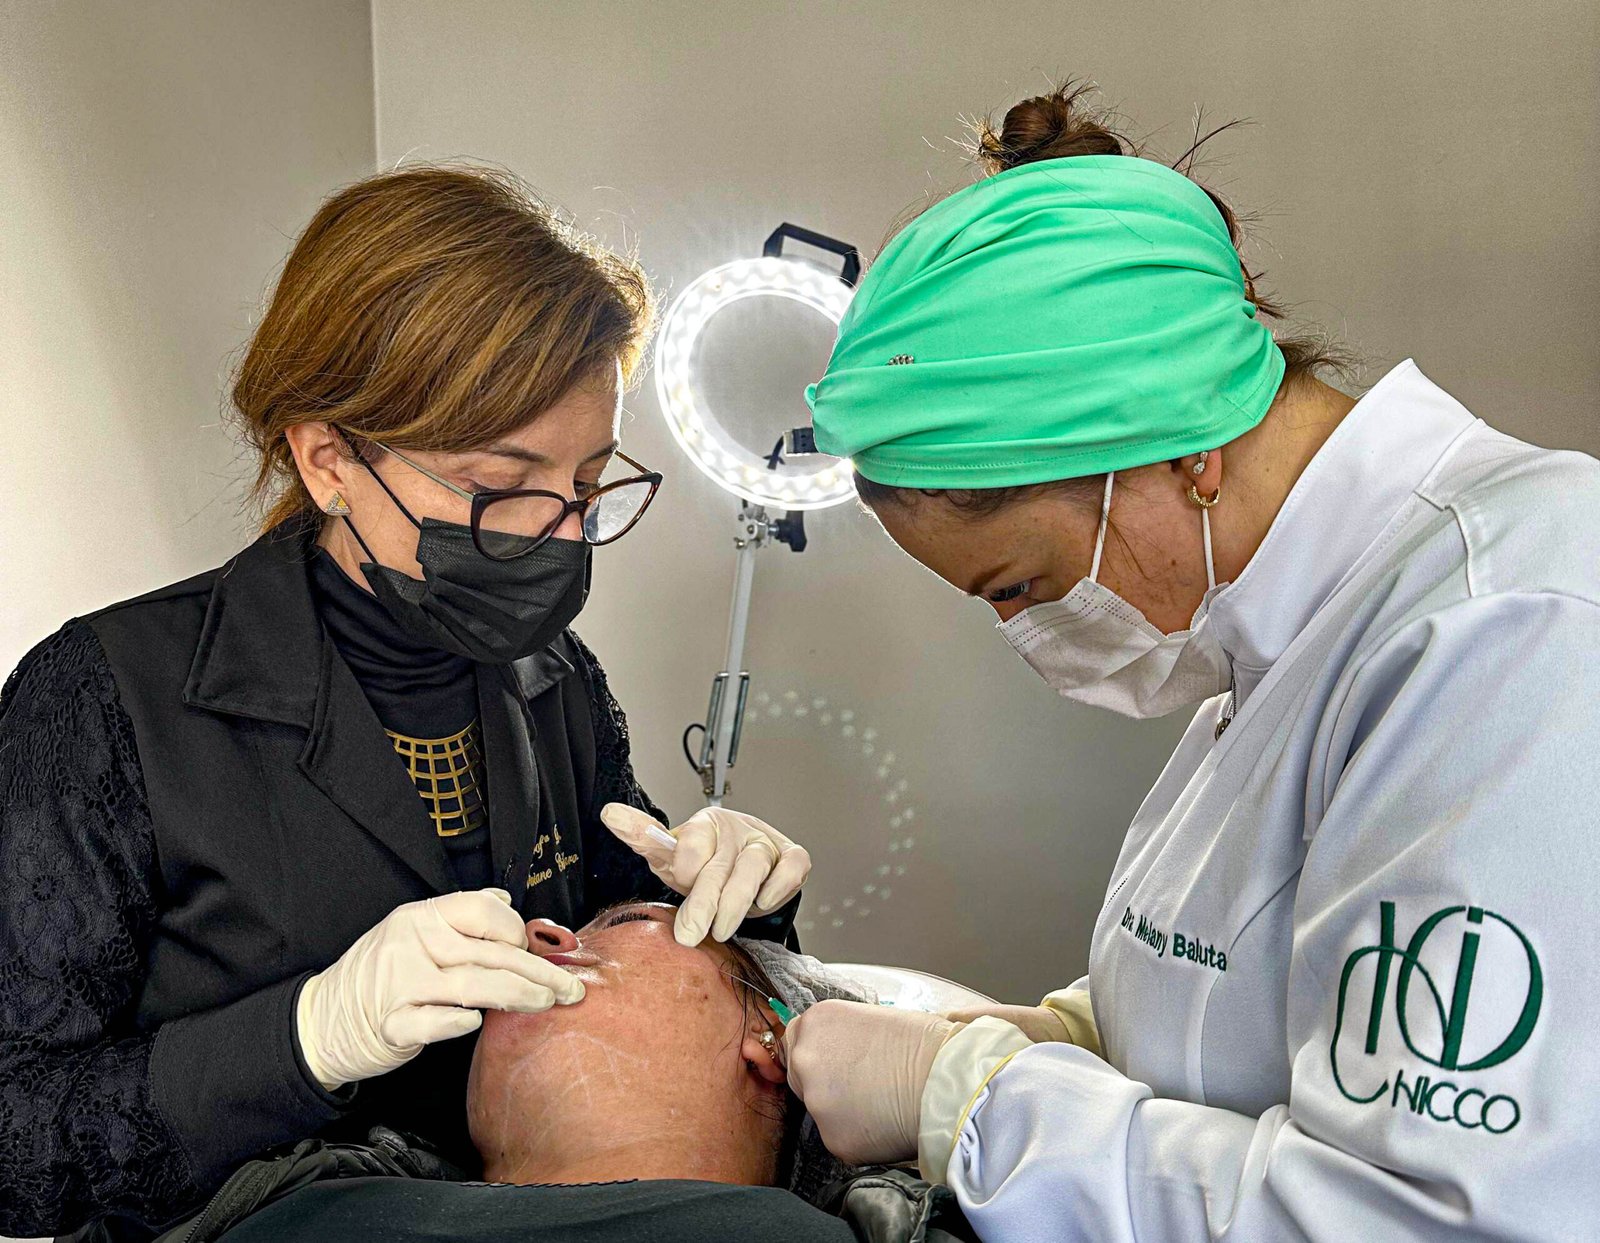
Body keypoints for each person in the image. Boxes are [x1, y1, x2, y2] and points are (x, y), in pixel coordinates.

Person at [781, 83, 1600, 1240]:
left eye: (1018, 584)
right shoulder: (1285, 642)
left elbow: (1426, 1217)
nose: (1025, 632)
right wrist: (1055, 1038)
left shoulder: (1512, 628)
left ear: (1182, 452)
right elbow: (1241, 1006)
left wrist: (977, 1104)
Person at [0, 165, 811, 1242]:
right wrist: (306, 1037)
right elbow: (14, 1143)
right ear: (328, 458)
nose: (564, 536)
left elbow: (644, 952)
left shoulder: (555, 676)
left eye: (586, 483)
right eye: (500, 487)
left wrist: (733, 903)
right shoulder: (106, 703)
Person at [188, 902, 913, 1243]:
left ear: (773, 1037)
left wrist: (955, 1079)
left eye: (623, 920)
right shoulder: (296, 1201)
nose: (536, 931)